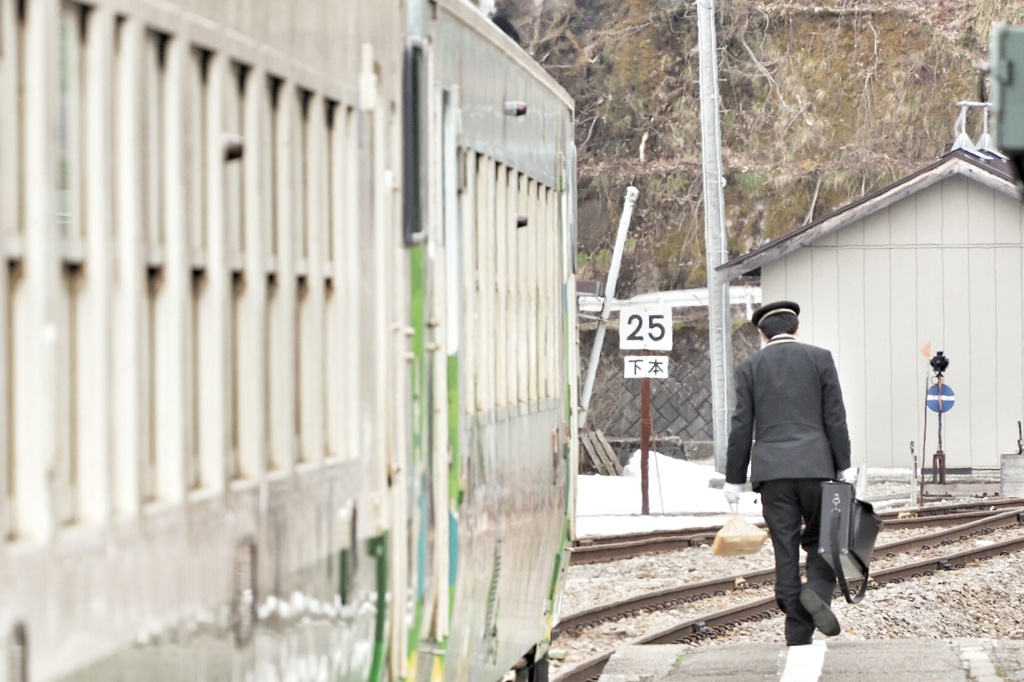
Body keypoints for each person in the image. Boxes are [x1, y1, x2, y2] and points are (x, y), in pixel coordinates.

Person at [722, 300, 856, 646]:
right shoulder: (820, 359)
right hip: (818, 467)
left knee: (786, 546)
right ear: (797, 329)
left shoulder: (749, 367)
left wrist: (734, 477)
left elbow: (741, 425)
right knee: (825, 545)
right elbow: (835, 416)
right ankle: (815, 596)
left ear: (761, 334)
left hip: (773, 474)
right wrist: (844, 464)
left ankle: (795, 622)